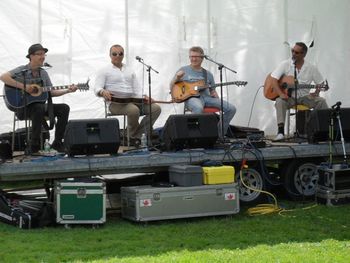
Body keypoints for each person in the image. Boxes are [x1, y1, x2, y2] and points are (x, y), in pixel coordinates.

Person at [0, 43, 78, 153]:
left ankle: (58, 142)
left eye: (44, 54)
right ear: (31, 56)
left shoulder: (43, 73)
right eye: (39, 54)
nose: (42, 57)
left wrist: (68, 90)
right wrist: (25, 87)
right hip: (23, 108)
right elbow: (3, 77)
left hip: (39, 108)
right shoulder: (22, 70)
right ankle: (34, 144)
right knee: (39, 107)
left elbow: (51, 91)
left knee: (64, 108)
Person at [94, 44, 161, 146]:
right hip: (115, 104)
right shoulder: (104, 70)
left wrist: (144, 96)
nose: (118, 56)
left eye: (120, 53)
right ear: (110, 55)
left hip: (133, 101)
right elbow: (97, 88)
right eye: (114, 54)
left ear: (123, 55)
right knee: (133, 110)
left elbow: (137, 88)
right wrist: (103, 92)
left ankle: (135, 135)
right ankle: (131, 137)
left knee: (156, 108)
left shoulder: (129, 69)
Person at [170, 46, 236, 138]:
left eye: (196, 56)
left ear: (202, 58)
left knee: (231, 109)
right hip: (192, 98)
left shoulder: (208, 74)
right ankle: (196, 137)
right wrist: (176, 77)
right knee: (198, 108)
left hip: (207, 98)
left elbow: (213, 90)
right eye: (191, 56)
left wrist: (215, 96)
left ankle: (219, 135)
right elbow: (172, 86)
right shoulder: (183, 70)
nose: (193, 59)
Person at [270, 42, 328, 141]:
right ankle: (280, 132)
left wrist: (317, 92)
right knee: (279, 101)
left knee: (321, 101)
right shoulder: (285, 64)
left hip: (305, 97)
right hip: (289, 97)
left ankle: (321, 131)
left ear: (304, 54)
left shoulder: (311, 68)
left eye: (296, 52)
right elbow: (273, 79)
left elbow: (321, 83)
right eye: (292, 51)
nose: (293, 54)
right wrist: (280, 93)